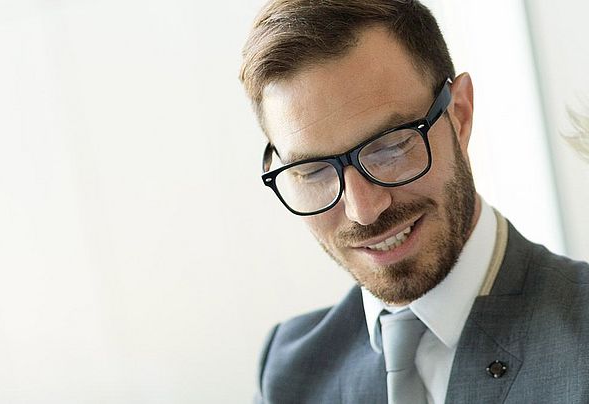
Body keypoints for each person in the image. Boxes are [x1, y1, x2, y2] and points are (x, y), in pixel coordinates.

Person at [239, 1, 589, 403]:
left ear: (460, 113)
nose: (364, 209)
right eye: (314, 170)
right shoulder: (289, 371)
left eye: (389, 146)